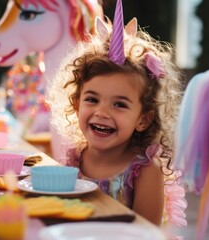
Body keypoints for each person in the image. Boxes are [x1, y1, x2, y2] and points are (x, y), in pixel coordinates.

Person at [46, 0, 186, 226]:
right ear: (76, 104)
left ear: (143, 119)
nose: (102, 112)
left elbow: (145, 234)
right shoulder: (76, 158)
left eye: (119, 104)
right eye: (92, 99)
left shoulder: (145, 170)